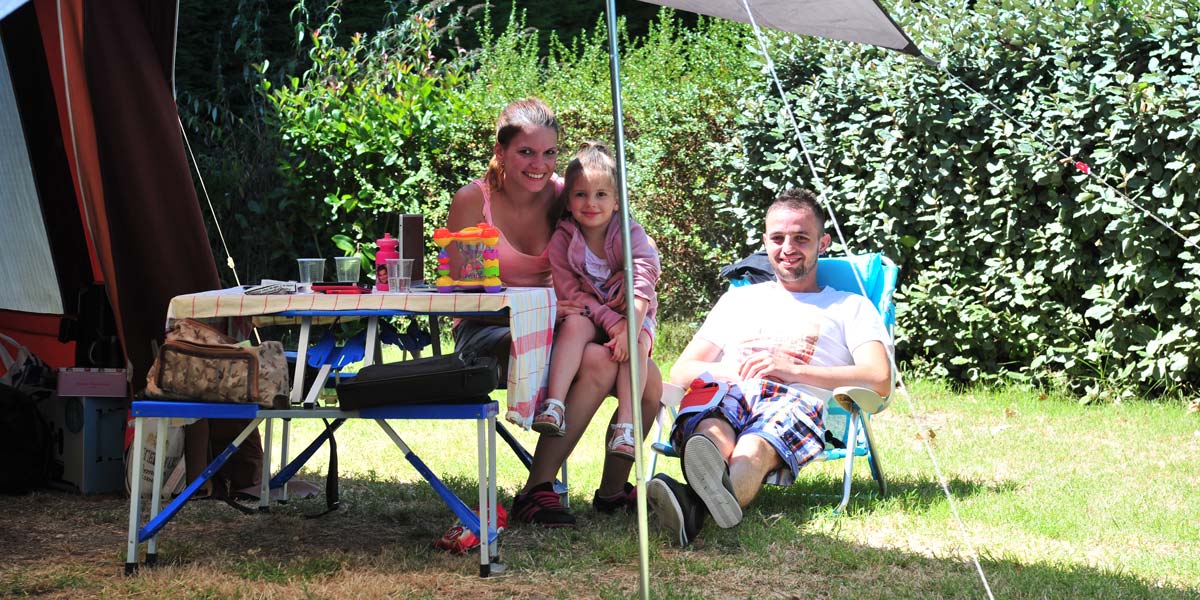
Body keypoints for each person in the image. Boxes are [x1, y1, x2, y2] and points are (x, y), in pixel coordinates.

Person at [448, 99, 663, 527]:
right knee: (601, 363)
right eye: (526, 152)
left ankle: (612, 490)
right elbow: (465, 297)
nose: (539, 165)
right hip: (491, 325)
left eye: (549, 153)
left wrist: (624, 308)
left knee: (641, 376)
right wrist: (543, 308)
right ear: (501, 151)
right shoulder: (474, 203)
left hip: (565, 321)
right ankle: (537, 490)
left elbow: (619, 245)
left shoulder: (569, 195)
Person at [645, 188, 892, 546]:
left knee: (755, 448)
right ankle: (696, 503)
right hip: (728, 390)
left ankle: (692, 503)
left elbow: (879, 378)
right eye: (778, 238)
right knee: (711, 432)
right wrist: (735, 373)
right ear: (765, 241)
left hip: (792, 401)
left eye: (801, 238)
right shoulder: (738, 300)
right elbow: (684, 369)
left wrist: (791, 371)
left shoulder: (849, 306)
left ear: (822, 243)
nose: (787, 247)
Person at [533, 141, 660, 464]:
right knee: (574, 322)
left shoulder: (631, 234)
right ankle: (555, 405)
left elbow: (643, 284)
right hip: (590, 315)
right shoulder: (563, 237)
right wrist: (609, 321)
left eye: (601, 194)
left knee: (638, 344)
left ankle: (627, 427)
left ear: (617, 201)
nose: (591, 203)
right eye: (580, 195)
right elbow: (569, 293)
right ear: (568, 199)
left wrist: (628, 327)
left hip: (633, 315)